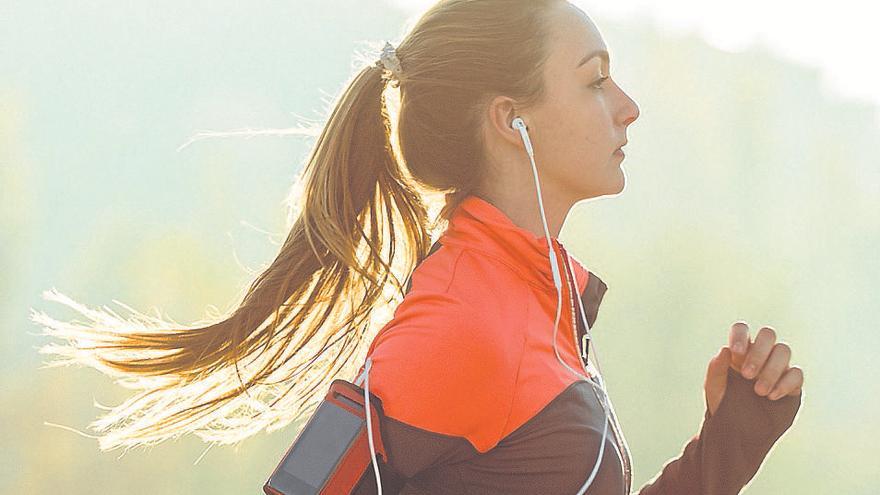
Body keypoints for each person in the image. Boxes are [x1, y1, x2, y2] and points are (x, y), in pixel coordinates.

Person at [34, 1, 804, 493]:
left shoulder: (537, 307)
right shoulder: (458, 321)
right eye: (596, 80)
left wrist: (726, 446)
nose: (629, 107)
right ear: (513, 121)